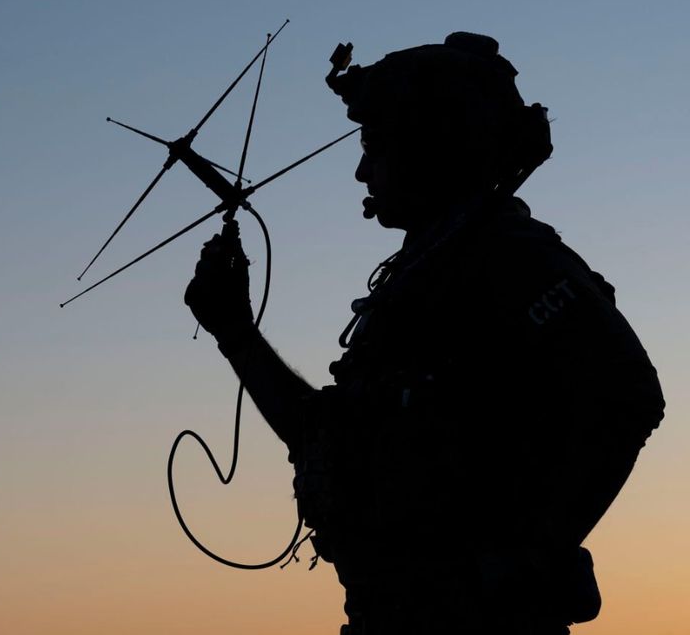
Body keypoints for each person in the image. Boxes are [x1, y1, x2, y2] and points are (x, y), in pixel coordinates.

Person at [184, 32, 665, 634]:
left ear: (432, 147)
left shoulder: (511, 258)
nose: (361, 169)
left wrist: (521, 555)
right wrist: (235, 332)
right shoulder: (422, 277)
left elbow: (627, 395)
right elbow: (327, 438)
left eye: (375, 147)